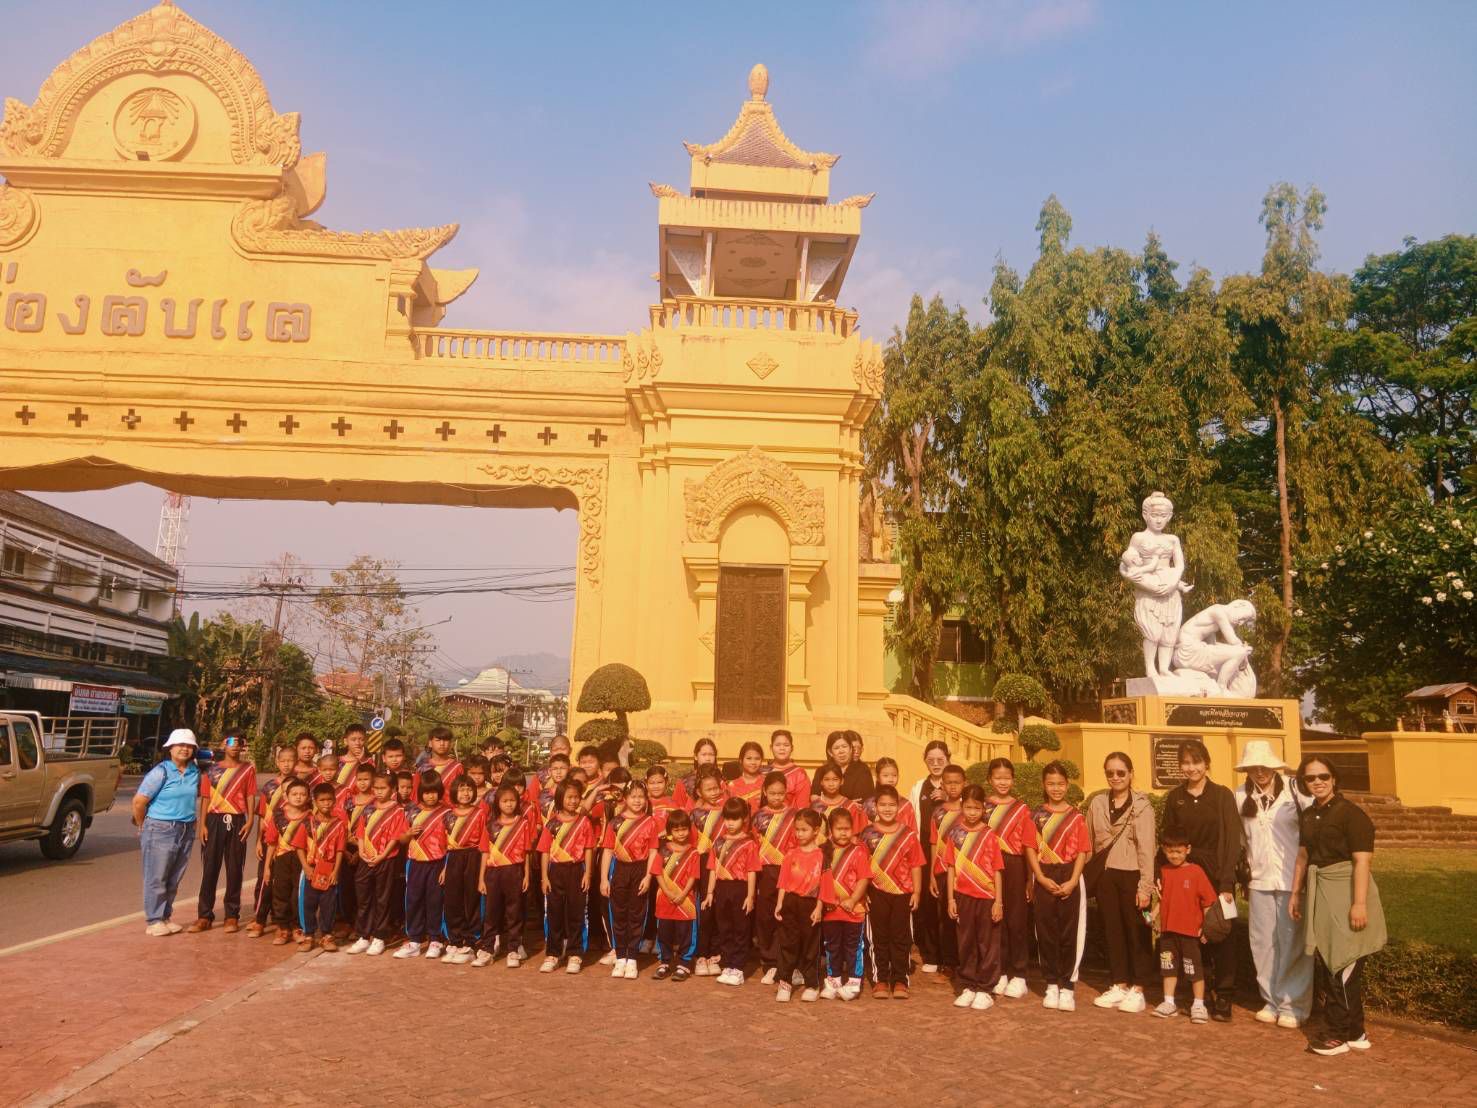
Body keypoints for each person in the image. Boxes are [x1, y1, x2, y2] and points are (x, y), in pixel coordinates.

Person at [1290, 756, 1386, 1057]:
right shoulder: (1308, 815)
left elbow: (1362, 861)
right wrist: (1295, 893)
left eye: (1323, 776)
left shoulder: (1351, 814)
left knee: (1342, 964)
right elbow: (1303, 857)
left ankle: (1337, 1034)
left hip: (1348, 891)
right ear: (1303, 782)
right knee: (1330, 960)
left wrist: (1359, 904)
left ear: (1334, 779)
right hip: (1321, 892)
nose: (1317, 782)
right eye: (1310, 778)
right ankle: (1355, 1031)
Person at [1162, 739, 1243, 1021]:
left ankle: (1225, 994)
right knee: (1190, 936)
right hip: (1185, 874)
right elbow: (1168, 838)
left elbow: (1232, 840)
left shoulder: (1222, 795)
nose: (1191, 768)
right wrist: (1164, 875)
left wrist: (1226, 881)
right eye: (1185, 762)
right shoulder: (1175, 797)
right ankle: (1200, 993)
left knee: (1222, 932)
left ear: (1206, 763)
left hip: (1217, 872)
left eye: (1196, 761)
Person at [1235, 740, 1312, 1029]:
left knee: (1292, 941)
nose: (1260, 771)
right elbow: (1242, 839)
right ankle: (1271, 1000)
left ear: (1274, 766)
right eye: (1254, 766)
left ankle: (1294, 1005)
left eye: (1265, 766)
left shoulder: (1295, 791)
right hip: (1260, 879)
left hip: (1293, 878)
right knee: (1263, 943)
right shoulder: (1240, 795)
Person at [1086, 751, 1156, 1013]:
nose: (1115, 777)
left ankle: (1138, 987)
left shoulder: (1142, 806)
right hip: (1106, 875)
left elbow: (1147, 849)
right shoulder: (1097, 803)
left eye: (1121, 773)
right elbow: (1089, 842)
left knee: (1137, 931)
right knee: (1112, 930)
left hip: (1133, 874)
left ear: (1130, 774)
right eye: (1110, 773)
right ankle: (1120, 983)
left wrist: (1145, 887)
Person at [1025, 762, 1091, 1012]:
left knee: (1070, 933)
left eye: (1060, 784)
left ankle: (1067, 986)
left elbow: (1083, 851)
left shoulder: (1077, 817)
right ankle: (1051, 983)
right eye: (1051, 784)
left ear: (1067, 785)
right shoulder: (1035, 816)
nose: (1056, 788)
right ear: (1044, 785)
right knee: (1046, 932)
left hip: (1070, 873)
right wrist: (1040, 877)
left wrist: (1073, 881)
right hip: (1044, 874)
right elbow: (1030, 848)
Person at [132, 728, 207, 937]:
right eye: (180, 745)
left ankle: (165, 916)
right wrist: (142, 825)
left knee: (174, 878)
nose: (184, 749)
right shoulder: (160, 772)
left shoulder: (194, 772)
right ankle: (154, 920)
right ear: (171, 748)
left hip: (185, 829)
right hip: (160, 829)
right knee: (157, 877)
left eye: (189, 746)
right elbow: (139, 802)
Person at [940, 784, 1004, 1012]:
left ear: (983, 809)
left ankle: (985, 988)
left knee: (987, 944)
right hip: (963, 896)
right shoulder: (955, 834)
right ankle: (968, 985)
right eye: (968, 807)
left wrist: (998, 901)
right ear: (962, 807)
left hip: (986, 897)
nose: (972, 812)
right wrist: (951, 899)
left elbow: (997, 870)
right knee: (966, 942)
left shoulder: (990, 835)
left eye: (977, 808)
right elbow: (950, 868)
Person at [860, 785, 925, 999]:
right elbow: (860, 866)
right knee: (878, 937)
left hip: (903, 894)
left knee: (901, 937)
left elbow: (916, 864)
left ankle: (900, 980)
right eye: (883, 805)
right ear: (875, 807)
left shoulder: (908, 834)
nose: (887, 809)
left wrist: (917, 892)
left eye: (891, 805)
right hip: (876, 892)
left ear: (898, 807)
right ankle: (881, 979)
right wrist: (862, 892)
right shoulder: (867, 834)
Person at [189, 728, 256, 933]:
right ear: (223, 744)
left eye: (240, 742)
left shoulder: (248, 769)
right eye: (231, 741)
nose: (235, 746)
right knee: (210, 868)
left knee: (235, 869)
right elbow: (205, 798)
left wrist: (250, 820)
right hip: (214, 820)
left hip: (237, 820)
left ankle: (231, 915)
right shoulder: (211, 770)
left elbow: (250, 794)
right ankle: (204, 915)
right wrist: (202, 824)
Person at [1152, 828, 1218, 1022]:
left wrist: (1206, 928)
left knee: (1194, 970)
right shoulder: (1164, 871)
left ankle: (1198, 1004)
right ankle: (1168, 1002)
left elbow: (1208, 903)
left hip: (1190, 933)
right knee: (1168, 968)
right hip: (1168, 932)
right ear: (1164, 850)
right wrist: (1153, 916)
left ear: (1188, 849)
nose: (1174, 855)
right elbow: (1162, 899)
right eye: (1170, 851)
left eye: (1179, 851)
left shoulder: (1196, 872)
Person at [982, 758, 1034, 999]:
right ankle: (1000, 970)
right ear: (989, 780)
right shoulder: (983, 807)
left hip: (1014, 865)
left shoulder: (1022, 809)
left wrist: (1029, 878)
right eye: (997, 778)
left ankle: (1019, 974)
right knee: (995, 919)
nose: (1002, 782)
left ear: (1013, 780)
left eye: (1007, 778)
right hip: (988, 866)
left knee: (1016, 919)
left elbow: (1028, 845)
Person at [600, 780, 661, 979]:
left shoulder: (650, 822)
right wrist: (603, 879)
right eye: (633, 796)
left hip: (640, 870)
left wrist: (648, 877)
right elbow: (607, 851)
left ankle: (632, 958)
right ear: (625, 798)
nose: (637, 800)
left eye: (641, 797)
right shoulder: (615, 822)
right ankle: (620, 957)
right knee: (619, 913)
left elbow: (653, 851)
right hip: (620, 870)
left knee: (637, 914)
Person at [345, 771, 409, 956]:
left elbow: (395, 837)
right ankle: (363, 936)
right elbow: (361, 833)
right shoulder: (368, 809)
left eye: (383, 788)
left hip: (386, 860)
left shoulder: (398, 811)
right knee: (363, 898)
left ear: (393, 789)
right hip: (366, 859)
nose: (379, 792)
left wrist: (382, 855)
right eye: (376, 788)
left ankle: (379, 937)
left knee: (382, 899)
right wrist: (362, 852)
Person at [538, 779, 597, 974]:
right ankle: (553, 954)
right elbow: (544, 851)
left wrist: (588, 873)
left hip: (577, 870)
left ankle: (575, 953)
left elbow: (589, 849)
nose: (573, 801)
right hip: (555, 871)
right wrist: (544, 877)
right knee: (554, 913)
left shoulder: (584, 822)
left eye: (576, 797)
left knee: (576, 913)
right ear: (560, 798)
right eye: (569, 797)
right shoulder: (552, 823)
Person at [477, 781, 536, 967]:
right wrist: (481, 878)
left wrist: (526, 875)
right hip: (493, 873)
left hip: (514, 871)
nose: (509, 804)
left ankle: (513, 949)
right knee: (491, 912)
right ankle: (488, 949)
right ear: (497, 803)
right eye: (505, 801)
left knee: (514, 912)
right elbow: (484, 852)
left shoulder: (523, 823)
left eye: (512, 800)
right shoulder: (490, 825)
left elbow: (527, 852)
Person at [704, 797, 760, 986]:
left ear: (744, 818)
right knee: (724, 927)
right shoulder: (718, 842)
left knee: (740, 929)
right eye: (727, 818)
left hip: (740, 888)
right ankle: (728, 964)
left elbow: (752, 871)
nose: (730, 823)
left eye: (735, 818)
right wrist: (710, 893)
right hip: (722, 888)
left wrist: (750, 896)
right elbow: (712, 869)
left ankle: (738, 968)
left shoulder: (749, 843)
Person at [395, 774, 451, 961]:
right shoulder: (412, 811)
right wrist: (409, 833)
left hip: (437, 862)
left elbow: (452, 843)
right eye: (426, 793)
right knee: (414, 900)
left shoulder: (447, 812)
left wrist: (446, 867)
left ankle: (435, 939)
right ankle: (414, 940)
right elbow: (401, 839)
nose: (430, 796)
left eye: (434, 792)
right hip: (415, 863)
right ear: (420, 793)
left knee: (435, 901)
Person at [818, 808, 871, 1000]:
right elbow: (819, 879)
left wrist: (853, 899)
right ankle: (833, 980)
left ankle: (854, 983)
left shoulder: (858, 852)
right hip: (831, 911)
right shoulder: (823, 852)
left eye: (847, 829)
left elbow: (864, 878)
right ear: (830, 830)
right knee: (832, 946)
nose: (843, 833)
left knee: (853, 947)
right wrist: (825, 902)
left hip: (853, 911)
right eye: (839, 829)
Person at [247, 746, 299, 937]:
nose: (286, 764)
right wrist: (258, 841)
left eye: (290, 760)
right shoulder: (269, 787)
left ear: (296, 762)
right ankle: (259, 918)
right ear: (277, 762)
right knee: (265, 879)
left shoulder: (300, 787)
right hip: (270, 840)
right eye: (283, 760)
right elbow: (262, 817)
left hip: (291, 842)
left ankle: (286, 921)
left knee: (289, 884)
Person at [774, 808, 825, 1003]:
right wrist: (780, 903)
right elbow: (783, 881)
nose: (800, 834)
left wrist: (819, 908)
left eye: (804, 830)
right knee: (788, 943)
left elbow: (824, 885)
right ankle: (785, 981)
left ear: (816, 830)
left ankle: (812, 984)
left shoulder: (821, 856)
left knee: (810, 946)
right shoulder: (791, 854)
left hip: (810, 904)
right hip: (790, 902)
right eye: (797, 829)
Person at [751, 771, 798, 984]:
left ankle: (789, 963)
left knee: (788, 916)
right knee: (766, 916)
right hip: (765, 872)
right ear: (764, 792)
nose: (777, 797)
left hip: (790, 871)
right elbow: (753, 846)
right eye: (772, 793)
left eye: (781, 793)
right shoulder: (758, 817)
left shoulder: (795, 815)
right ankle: (770, 963)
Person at [910, 740, 951, 973]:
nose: (936, 764)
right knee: (927, 901)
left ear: (948, 759)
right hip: (924, 850)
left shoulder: (954, 784)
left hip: (950, 851)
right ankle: (931, 953)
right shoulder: (919, 787)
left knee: (948, 900)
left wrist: (947, 796)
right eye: (931, 760)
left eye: (940, 760)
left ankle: (950, 956)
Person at [441, 776, 490, 965]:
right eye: (461, 789)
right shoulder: (448, 815)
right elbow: (444, 844)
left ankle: (471, 941)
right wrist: (445, 868)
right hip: (453, 857)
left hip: (473, 857)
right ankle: (455, 940)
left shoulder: (480, 814)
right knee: (453, 900)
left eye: (469, 789)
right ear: (454, 792)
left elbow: (485, 842)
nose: (466, 793)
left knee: (472, 899)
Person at [649, 809, 701, 981]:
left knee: (686, 932)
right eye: (677, 830)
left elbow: (693, 876)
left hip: (686, 901)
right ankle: (664, 961)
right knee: (664, 932)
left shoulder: (693, 852)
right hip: (665, 899)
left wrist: (683, 894)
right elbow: (657, 873)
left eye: (684, 829)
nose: (681, 833)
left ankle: (684, 963)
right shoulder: (663, 850)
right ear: (670, 831)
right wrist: (667, 891)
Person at [927, 763, 968, 977]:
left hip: (966, 873)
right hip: (943, 872)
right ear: (942, 785)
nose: (953, 787)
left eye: (957, 783)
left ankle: (967, 962)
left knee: (966, 918)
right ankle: (949, 963)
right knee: (945, 918)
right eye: (949, 783)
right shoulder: (938, 812)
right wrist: (932, 875)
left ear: (964, 784)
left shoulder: (970, 811)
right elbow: (934, 843)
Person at [263, 778, 311, 946]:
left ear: (308, 797)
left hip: (302, 861)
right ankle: (283, 927)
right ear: (286, 796)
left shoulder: (311, 817)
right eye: (294, 794)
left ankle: (297, 927)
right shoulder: (278, 816)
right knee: (280, 893)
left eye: (302, 794)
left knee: (298, 894)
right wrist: (267, 867)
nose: (298, 797)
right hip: (282, 859)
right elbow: (271, 843)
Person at [688, 767, 726, 976]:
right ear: (699, 792)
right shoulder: (694, 814)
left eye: (716, 788)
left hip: (723, 863)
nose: (713, 792)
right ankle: (701, 954)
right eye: (708, 789)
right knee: (704, 908)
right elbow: (690, 843)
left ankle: (715, 953)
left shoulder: (727, 812)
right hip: (702, 863)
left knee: (719, 907)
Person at [301, 782, 347, 951]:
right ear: (315, 801)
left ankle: (326, 935)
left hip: (329, 870)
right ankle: (309, 935)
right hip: (312, 869)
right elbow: (299, 847)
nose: (326, 803)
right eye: (322, 800)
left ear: (334, 801)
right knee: (309, 903)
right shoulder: (308, 822)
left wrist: (336, 871)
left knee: (328, 903)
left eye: (329, 800)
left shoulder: (338, 824)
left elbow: (340, 850)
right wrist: (306, 867)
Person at [810, 731, 873, 801]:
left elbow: (861, 801)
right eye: (836, 748)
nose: (841, 751)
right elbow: (814, 797)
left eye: (844, 746)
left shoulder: (863, 770)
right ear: (830, 752)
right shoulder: (821, 770)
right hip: (825, 808)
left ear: (851, 749)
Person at [812, 762, 866, 838]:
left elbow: (855, 837)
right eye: (826, 779)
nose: (831, 784)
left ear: (842, 781)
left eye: (835, 779)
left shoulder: (851, 807)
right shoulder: (814, 807)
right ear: (821, 782)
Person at [863, 758, 916, 830]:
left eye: (894, 775)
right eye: (885, 775)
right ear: (878, 777)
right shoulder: (869, 804)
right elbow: (864, 830)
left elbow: (912, 831)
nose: (891, 779)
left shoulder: (906, 805)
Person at [767, 729, 811, 811]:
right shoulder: (763, 772)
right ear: (771, 747)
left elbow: (803, 807)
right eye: (777, 745)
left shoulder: (799, 774)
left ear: (792, 748)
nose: (782, 748)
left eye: (786, 745)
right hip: (763, 817)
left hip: (790, 818)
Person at [414, 727, 463, 797]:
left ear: (450, 744)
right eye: (438, 740)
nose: (442, 743)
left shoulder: (457, 767)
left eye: (445, 740)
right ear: (430, 743)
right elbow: (416, 793)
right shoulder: (423, 767)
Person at [673, 737, 719, 809]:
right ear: (695, 756)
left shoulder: (721, 780)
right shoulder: (683, 782)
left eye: (711, 754)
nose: (708, 759)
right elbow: (677, 809)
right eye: (704, 754)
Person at [726, 741, 767, 813]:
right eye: (749, 758)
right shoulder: (732, 786)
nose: (753, 762)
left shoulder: (767, 783)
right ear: (741, 760)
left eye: (757, 758)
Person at [335, 724, 371, 788]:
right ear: (345, 741)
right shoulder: (336, 761)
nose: (357, 743)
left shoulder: (369, 762)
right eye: (353, 740)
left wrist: (362, 761)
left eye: (361, 739)